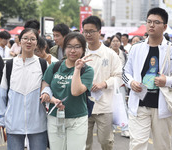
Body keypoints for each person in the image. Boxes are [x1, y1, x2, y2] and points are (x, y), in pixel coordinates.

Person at [123, 7, 172, 150]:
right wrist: (131, 82)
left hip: (163, 106)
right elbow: (125, 72)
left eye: (156, 22)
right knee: (137, 145)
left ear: (164, 27)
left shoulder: (170, 49)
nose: (151, 25)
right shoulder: (136, 48)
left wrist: (167, 81)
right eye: (149, 21)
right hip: (139, 104)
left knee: (162, 146)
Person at [0, 28, 52, 150]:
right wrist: (1, 119)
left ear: (36, 42)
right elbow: (2, 94)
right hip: (13, 122)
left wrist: (46, 93)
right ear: (19, 41)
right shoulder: (10, 65)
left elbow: (48, 86)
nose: (29, 42)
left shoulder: (43, 64)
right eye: (25, 38)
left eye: (33, 39)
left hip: (37, 121)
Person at [41, 32, 94, 150]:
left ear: (83, 49)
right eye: (69, 46)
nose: (73, 50)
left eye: (77, 47)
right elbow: (45, 87)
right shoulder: (54, 66)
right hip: (55, 118)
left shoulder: (87, 70)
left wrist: (77, 69)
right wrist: (53, 100)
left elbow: (76, 91)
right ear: (64, 48)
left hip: (77, 119)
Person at [82, 16, 122, 150]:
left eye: (91, 31)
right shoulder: (81, 52)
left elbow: (119, 77)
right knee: (84, 143)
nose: (88, 34)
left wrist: (104, 84)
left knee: (106, 141)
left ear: (99, 32)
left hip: (104, 105)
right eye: (85, 31)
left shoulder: (110, 54)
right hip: (83, 104)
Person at [109, 35, 129, 137]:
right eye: (114, 41)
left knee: (123, 106)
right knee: (110, 106)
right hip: (109, 84)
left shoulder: (124, 55)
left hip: (120, 84)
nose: (115, 43)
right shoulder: (107, 53)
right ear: (110, 43)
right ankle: (111, 128)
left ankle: (125, 128)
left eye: (117, 41)